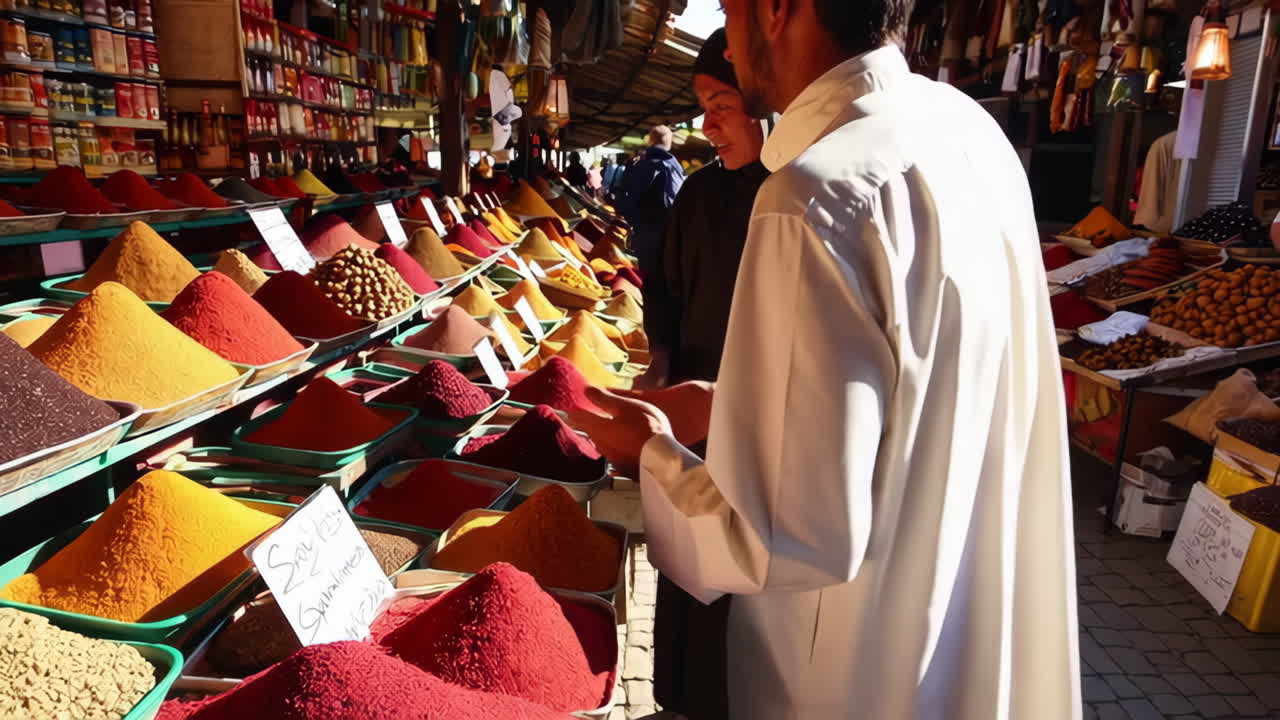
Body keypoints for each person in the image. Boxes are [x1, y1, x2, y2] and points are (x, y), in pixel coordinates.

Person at [568, 1, 1081, 718]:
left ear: (777, 10)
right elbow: (924, 378)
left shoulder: (811, 199)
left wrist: (649, 454)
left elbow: (783, 539)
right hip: (971, 619)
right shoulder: (971, 133)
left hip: (861, 665)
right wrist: (738, 400)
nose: (730, 34)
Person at [640, 28, 769, 720]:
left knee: (740, 576)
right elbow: (662, 287)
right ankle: (679, 697)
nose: (707, 123)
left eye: (721, 102)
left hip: (758, 421)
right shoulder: (696, 195)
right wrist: (660, 358)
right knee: (686, 560)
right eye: (701, 106)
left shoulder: (801, 199)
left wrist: (723, 404)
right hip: (690, 419)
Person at [617, 126, 685, 284]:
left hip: (646, 235)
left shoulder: (640, 165)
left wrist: (636, 224)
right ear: (669, 143)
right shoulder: (676, 168)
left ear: (650, 141)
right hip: (673, 236)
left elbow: (625, 201)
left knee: (648, 282)